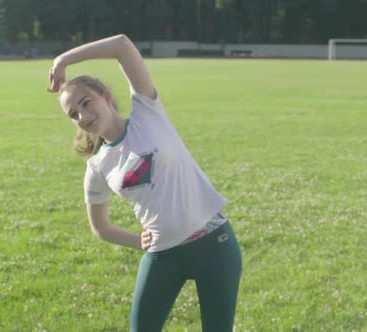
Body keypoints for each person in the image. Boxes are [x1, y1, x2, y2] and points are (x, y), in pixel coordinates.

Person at [46, 34, 242, 332]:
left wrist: (64, 60)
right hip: (163, 256)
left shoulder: (147, 113)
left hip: (215, 244)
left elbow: (122, 45)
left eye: (86, 103)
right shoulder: (97, 167)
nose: (83, 115)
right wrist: (138, 241)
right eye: (74, 114)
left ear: (106, 96)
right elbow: (100, 227)